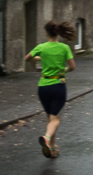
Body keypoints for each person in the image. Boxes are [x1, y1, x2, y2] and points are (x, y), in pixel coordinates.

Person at [25, 20, 76, 158]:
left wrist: (39, 58)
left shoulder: (41, 47)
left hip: (43, 87)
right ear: (58, 33)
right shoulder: (64, 48)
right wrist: (64, 70)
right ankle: (47, 138)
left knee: (50, 117)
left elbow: (27, 58)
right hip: (58, 85)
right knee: (56, 119)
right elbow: (72, 67)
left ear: (46, 33)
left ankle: (52, 148)